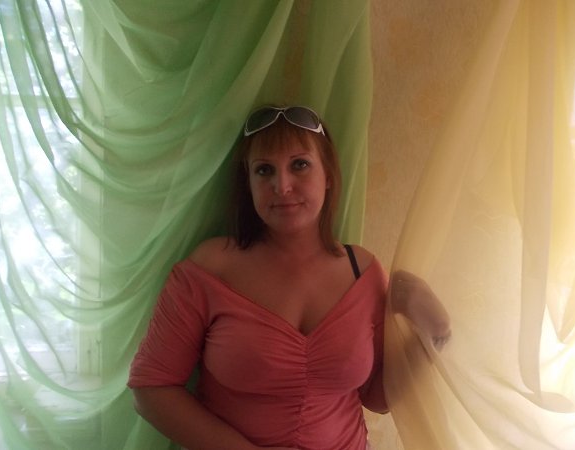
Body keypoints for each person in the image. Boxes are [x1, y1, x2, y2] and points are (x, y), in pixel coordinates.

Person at [128, 105, 451, 450]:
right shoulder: (209, 269)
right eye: (264, 170)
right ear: (248, 184)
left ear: (328, 176)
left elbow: (378, 398)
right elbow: (151, 389)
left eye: (299, 165)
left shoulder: (363, 272)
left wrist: (435, 332)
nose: (281, 186)